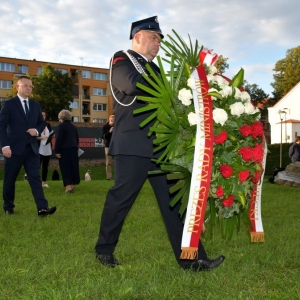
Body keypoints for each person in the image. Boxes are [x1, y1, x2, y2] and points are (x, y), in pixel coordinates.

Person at [94, 16, 225, 271]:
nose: (158, 44)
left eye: (160, 40)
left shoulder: (154, 68)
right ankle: (104, 250)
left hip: (161, 145)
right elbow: (132, 84)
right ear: (137, 37)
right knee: (121, 200)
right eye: (154, 38)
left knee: (175, 203)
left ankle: (193, 259)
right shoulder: (122, 59)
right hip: (133, 144)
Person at [0, 75, 56, 217]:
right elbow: (2, 125)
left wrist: (36, 130)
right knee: (10, 179)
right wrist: (5, 145)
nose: (29, 88)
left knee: (35, 178)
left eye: (31, 86)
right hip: (14, 149)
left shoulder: (35, 105)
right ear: (17, 87)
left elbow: (41, 123)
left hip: (32, 148)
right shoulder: (9, 104)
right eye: (26, 85)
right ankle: (8, 206)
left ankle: (42, 208)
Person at [54, 109, 80, 193]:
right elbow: (77, 139)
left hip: (64, 149)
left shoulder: (61, 126)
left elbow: (59, 139)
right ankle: (72, 184)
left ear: (61, 117)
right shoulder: (74, 127)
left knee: (65, 167)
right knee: (73, 167)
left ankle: (68, 187)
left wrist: (56, 151)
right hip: (73, 148)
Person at [37, 110, 53, 188]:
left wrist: (52, 136)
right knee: (37, 165)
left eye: (44, 115)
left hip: (47, 147)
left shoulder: (48, 125)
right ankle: (36, 182)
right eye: (42, 115)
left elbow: (50, 134)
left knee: (45, 166)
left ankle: (44, 182)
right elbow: (33, 137)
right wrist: (41, 138)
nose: (43, 116)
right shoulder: (36, 125)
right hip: (39, 148)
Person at [102, 115, 114, 180]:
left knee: (119, 161)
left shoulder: (117, 126)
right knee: (108, 162)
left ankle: (120, 177)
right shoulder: (105, 127)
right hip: (108, 146)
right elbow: (103, 136)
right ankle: (109, 177)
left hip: (117, 146)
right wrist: (109, 132)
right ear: (111, 120)